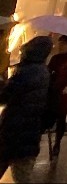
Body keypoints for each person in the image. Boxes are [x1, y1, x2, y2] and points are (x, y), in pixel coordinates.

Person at [1, 36, 51, 183]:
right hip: (30, 132)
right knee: (23, 176)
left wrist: (5, 82)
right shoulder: (44, 72)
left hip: (12, 130)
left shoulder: (25, 71)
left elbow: (6, 95)